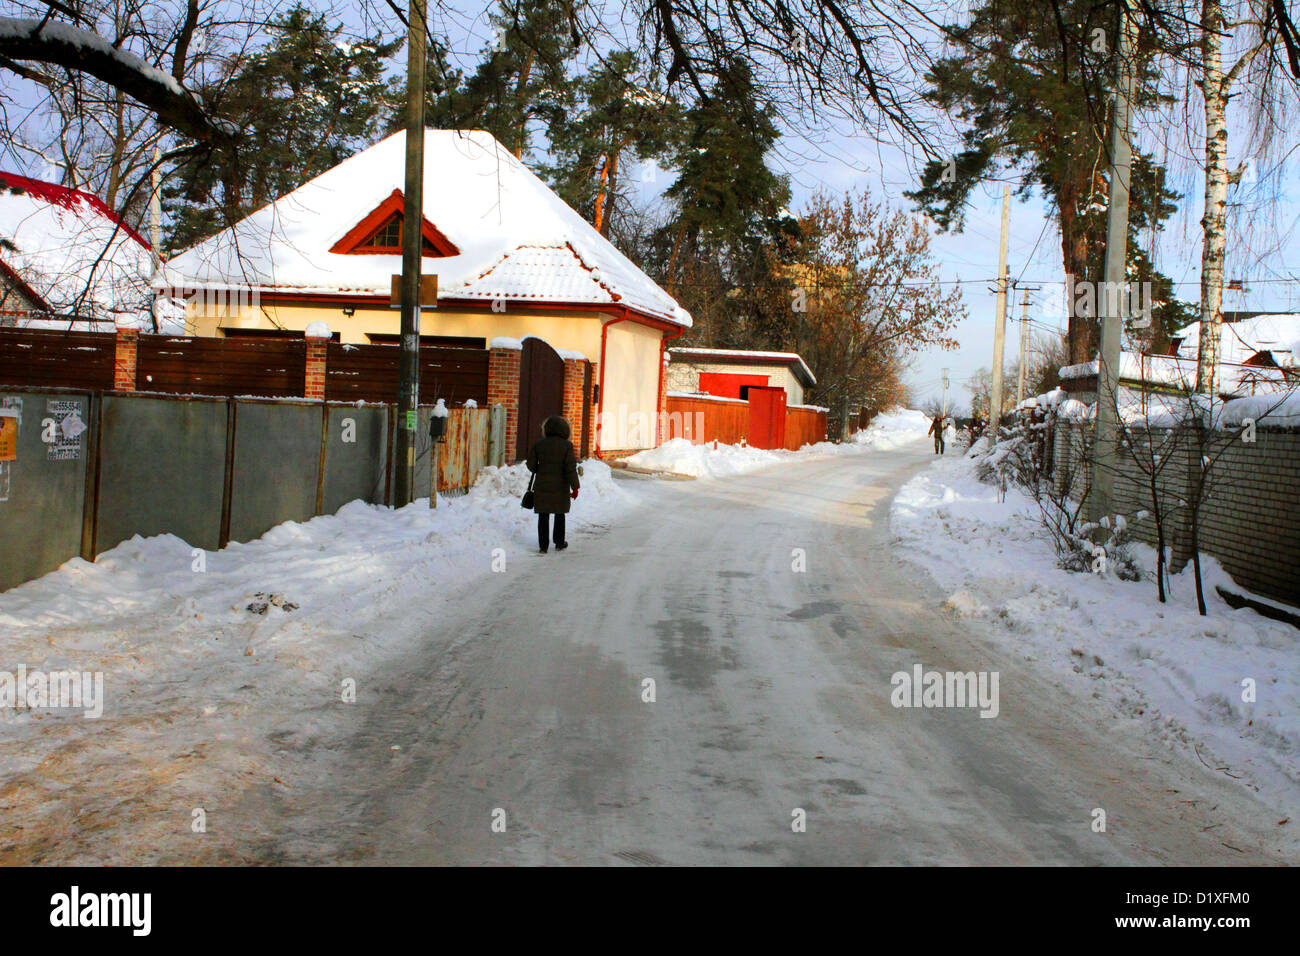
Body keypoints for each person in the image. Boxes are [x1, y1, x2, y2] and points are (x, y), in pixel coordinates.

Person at [526, 415, 580, 554]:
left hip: (542, 485)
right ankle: (559, 542)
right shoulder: (567, 446)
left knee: (543, 515)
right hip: (560, 486)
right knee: (559, 513)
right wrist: (575, 487)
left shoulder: (539, 444)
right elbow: (570, 468)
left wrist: (541, 469)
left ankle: (543, 545)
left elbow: (530, 465)